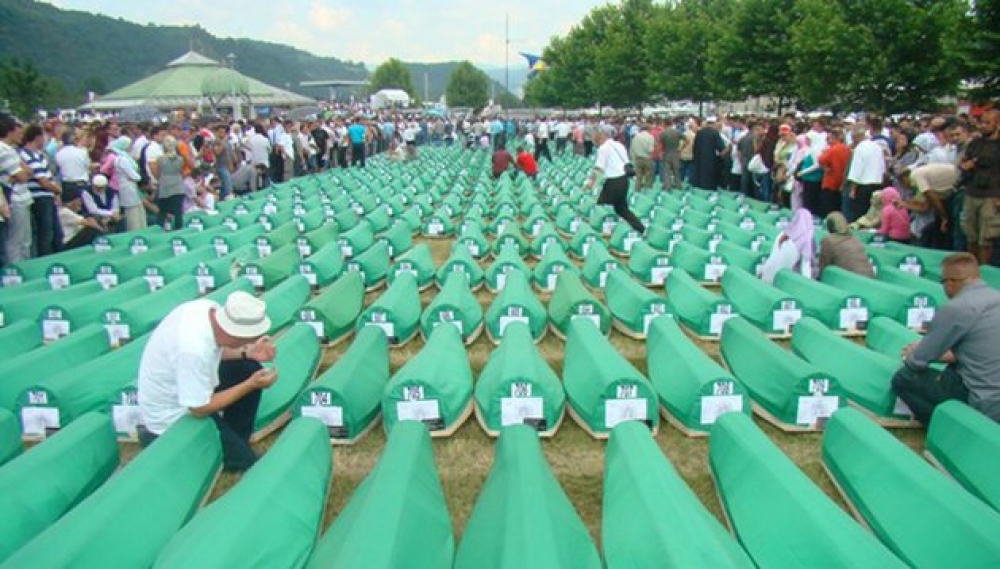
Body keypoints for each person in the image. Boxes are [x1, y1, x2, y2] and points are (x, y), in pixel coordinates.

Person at [137, 291, 279, 472]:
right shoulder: (192, 350)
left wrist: (248, 352)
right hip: (172, 413)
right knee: (246, 463)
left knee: (248, 367)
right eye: (248, 339)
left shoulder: (206, 309)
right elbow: (198, 409)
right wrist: (250, 385)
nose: (250, 342)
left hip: (186, 383)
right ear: (234, 333)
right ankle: (156, 439)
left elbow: (215, 350)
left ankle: (236, 438)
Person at [892, 253, 1000, 424]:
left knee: (904, 377)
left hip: (983, 400)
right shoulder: (995, 297)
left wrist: (914, 352)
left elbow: (918, 361)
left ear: (950, 282)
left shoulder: (957, 307)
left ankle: (948, 427)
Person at [584, 125, 644, 233]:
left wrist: (591, 182)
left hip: (613, 182)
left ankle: (598, 230)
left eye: (595, 134)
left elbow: (599, 168)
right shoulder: (619, 145)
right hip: (624, 180)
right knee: (621, 209)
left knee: (600, 205)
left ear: (602, 134)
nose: (593, 136)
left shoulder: (603, 148)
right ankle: (640, 229)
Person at [959, 109, 1000, 265]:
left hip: (991, 196)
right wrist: (965, 166)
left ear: (997, 124)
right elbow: (963, 163)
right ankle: (972, 269)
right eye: (981, 122)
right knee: (971, 236)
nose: (983, 126)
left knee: (986, 239)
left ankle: (984, 272)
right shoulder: (975, 143)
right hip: (971, 192)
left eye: (987, 123)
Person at [759, 208, 815, 284]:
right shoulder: (806, 240)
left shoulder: (782, 235)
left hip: (768, 274)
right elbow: (805, 268)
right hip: (782, 280)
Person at [818, 211, 875, 278]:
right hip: (870, 279)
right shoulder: (855, 239)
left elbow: (823, 268)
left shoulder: (828, 241)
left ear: (829, 226)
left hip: (851, 280)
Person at [152, 136, 186, 230]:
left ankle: (158, 230)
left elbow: (158, 174)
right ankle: (179, 230)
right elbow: (180, 171)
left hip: (165, 187)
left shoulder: (160, 159)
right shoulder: (180, 159)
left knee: (162, 211)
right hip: (178, 186)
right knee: (178, 212)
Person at [689, 117, 727, 191]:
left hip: (699, 160)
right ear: (714, 123)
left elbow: (695, 147)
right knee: (709, 181)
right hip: (711, 161)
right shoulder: (715, 133)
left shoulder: (700, 132)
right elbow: (721, 148)